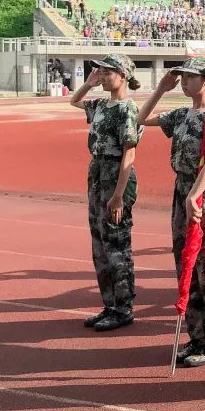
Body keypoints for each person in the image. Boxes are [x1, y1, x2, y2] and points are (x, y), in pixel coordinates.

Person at [137, 57, 205, 367]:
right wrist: (161, 90)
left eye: (191, 76)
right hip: (182, 193)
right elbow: (141, 118)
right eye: (182, 76)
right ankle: (195, 334)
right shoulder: (180, 114)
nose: (184, 81)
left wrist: (196, 194)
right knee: (186, 266)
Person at [69, 54, 142, 332]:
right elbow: (74, 102)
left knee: (116, 245)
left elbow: (129, 153)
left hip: (115, 174)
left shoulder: (127, 109)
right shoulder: (100, 104)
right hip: (97, 172)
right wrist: (88, 84)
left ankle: (123, 307)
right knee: (99, 243)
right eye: (100, 72)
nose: (102, 76)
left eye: (107, 72)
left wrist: (119, 195)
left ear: (122, 75)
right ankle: (109, 304)